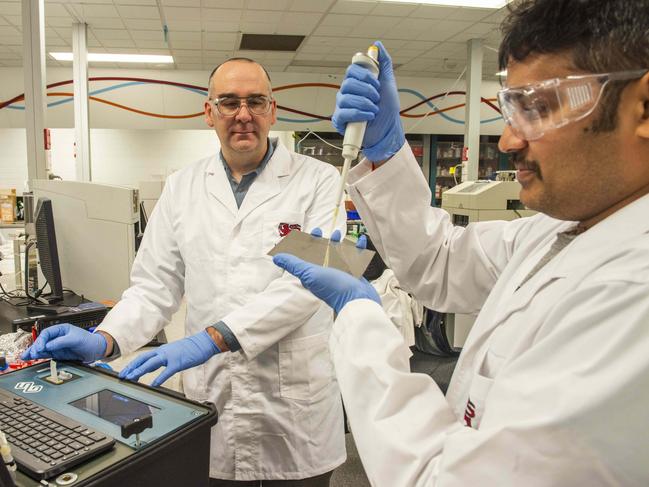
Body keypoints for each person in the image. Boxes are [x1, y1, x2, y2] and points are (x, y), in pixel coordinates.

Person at [273, 1, 649, 485]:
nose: (509, 141)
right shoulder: (563, 227)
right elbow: (441, 262)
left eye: (537, 107)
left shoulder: (631, 293)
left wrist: (360, 318)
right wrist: (387, 153)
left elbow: (442, 479)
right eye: (510, 109)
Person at [22, 58, 347, 486]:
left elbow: (311, 286)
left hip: (293, 406)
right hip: (212, 399)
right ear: (209, 112)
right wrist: (105, 339)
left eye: (255, 101)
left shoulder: (321, 181)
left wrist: (212, 337)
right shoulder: (183, 186)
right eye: (229, 102)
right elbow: (155, 285)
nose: (243, 114)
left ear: (273, 109)